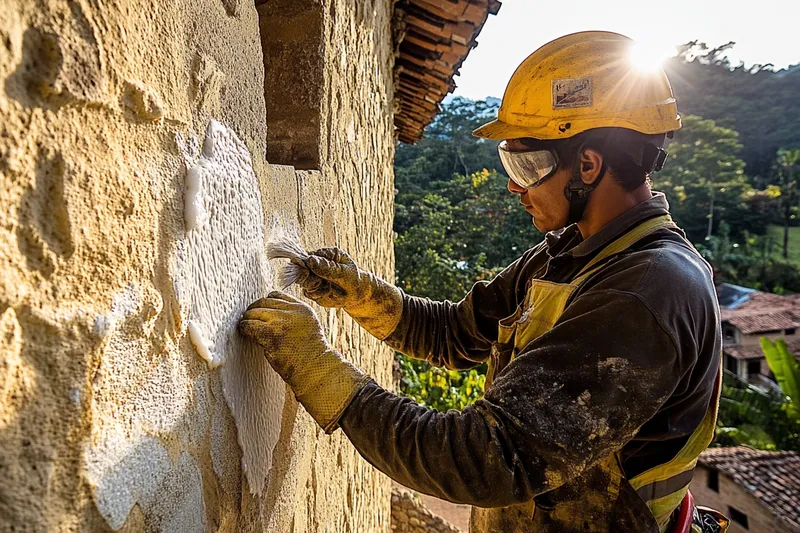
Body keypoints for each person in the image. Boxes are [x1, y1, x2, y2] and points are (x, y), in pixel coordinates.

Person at [238, 31, 728, 533]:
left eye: (527, 164)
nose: (515, 185)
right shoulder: (571, 253)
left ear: (588, 163)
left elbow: (486, 459)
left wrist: (318, 371)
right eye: (509, 163)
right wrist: (366, 297)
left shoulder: (645, 293)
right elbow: (457, 334)